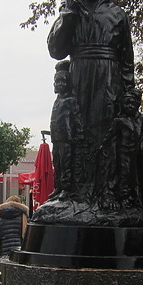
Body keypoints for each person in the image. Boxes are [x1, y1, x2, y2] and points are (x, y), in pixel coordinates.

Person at [46, 0, 136, 207]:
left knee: (105, 134)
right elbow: (55, 50)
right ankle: (72, 190)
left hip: (109, 79)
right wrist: (68, 16)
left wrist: (128, 91)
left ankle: (107, 191)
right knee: (75, 135)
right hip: (79, 76)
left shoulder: (117, 13)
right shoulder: (70, 8)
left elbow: (127, 58)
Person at [49, 60, 83, 201]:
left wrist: (79, 134)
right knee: (57, 163)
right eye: (57, 83)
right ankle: (57, 187)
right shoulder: (57, 101)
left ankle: (67, 188)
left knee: (66, 163)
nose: (60, 85)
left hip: (67, 137)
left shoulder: (71, 100)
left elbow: (77, 119)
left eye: (63, 82)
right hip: (56, 138)